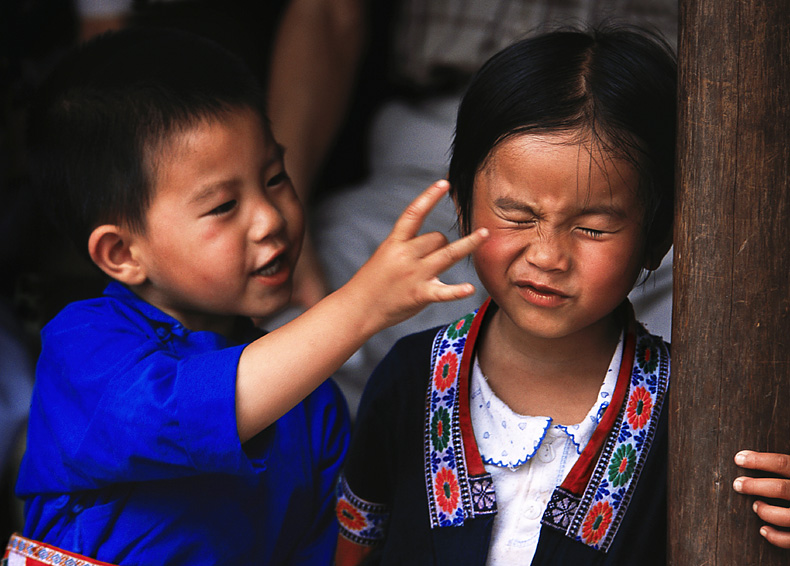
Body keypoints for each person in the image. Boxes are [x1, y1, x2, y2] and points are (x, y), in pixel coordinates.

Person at [9, 27, 487, 566]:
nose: (269, 218)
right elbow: (182, 414)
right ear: (123, 253)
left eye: (276, 177)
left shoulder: (312, 404)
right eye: (222, 206)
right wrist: (362, 306)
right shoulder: (85, 347)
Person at [334, 26, 790, 565]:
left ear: (656, 238)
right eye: (517, 216)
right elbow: (354, 548)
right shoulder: (409, 379)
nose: (548, 255)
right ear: (462, 207)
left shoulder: (694, 412)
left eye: (593, 228)